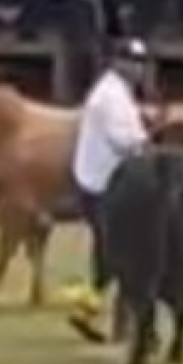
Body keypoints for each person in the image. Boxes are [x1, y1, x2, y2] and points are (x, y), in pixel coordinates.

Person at [67, 40, 152, 342]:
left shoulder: (117, 93)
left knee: (113, 254)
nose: (139, 69)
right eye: (133, 62)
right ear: (117, 62)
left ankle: (114, 319)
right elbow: (122, 139)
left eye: (141, 62)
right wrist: (147, 143)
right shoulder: (110, 97)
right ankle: (91, 313)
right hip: (103, 186)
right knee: (117, 255)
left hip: (103, 182)